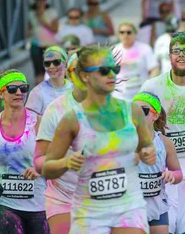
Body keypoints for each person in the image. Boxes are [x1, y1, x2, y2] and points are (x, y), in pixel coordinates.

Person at [41, 46, 157, 233]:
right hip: (89, 210)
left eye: (115, 69)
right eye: (104, 71)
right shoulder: (72, 119)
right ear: (84, 76)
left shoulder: (132, 111)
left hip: (128, 203)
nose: (112, 74)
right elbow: (47, 168)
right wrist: (67, 162)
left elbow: (146, 146)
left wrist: (147, 153)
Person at [139, 32, 185, 234]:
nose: (181, 55)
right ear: (169, 56)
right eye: (176, 51)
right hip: (162, 174)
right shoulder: (152, 87)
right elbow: (138, 123)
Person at [0, 69, 49, 234]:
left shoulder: (39, 123)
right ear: (1, 93)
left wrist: (39, 168)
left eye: (23, 88)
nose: (19, 93)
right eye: (13, 89)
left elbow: (55, 155)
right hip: (4, 202)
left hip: (38, 202)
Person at [33, 54, 86, 234]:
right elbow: (39, 160)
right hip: (62, 194)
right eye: (77, 70)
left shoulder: (115, 109)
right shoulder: (56, 109)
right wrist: (64, 163)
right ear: (69, 75)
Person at [133, 92, 183, 234]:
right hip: (132, 208)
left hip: (157, 208)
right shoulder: (125, 140)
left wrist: (172, 175)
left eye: (143, 111)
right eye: (134, 110)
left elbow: (179, 173)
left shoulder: (165, 143)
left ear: (156, 115)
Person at [113, 22, 160, 100]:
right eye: (122, 32)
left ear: (135, 33)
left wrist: (150, 87)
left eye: (129, 32)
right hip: (119, 96)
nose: (125, 35)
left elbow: (154, 68)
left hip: (140, 95)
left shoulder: (144, 48)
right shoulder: (114, 50)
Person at [26, 46, 73, 116]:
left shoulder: (74, 88)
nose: (51, 66)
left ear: (66, 64)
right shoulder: (37, 92)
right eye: (47, 63)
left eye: (56, 62)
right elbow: (29, 122)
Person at [28, 0, 59, 85]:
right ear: (35, 0)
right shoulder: (31, 13)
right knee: (39, 73)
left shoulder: (51, 12)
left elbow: (55, 29)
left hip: (49, 45)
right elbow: (28, 29)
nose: (42, 1)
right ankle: (38, 95)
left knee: (51, 71)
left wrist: (42, 19)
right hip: (36, 44)